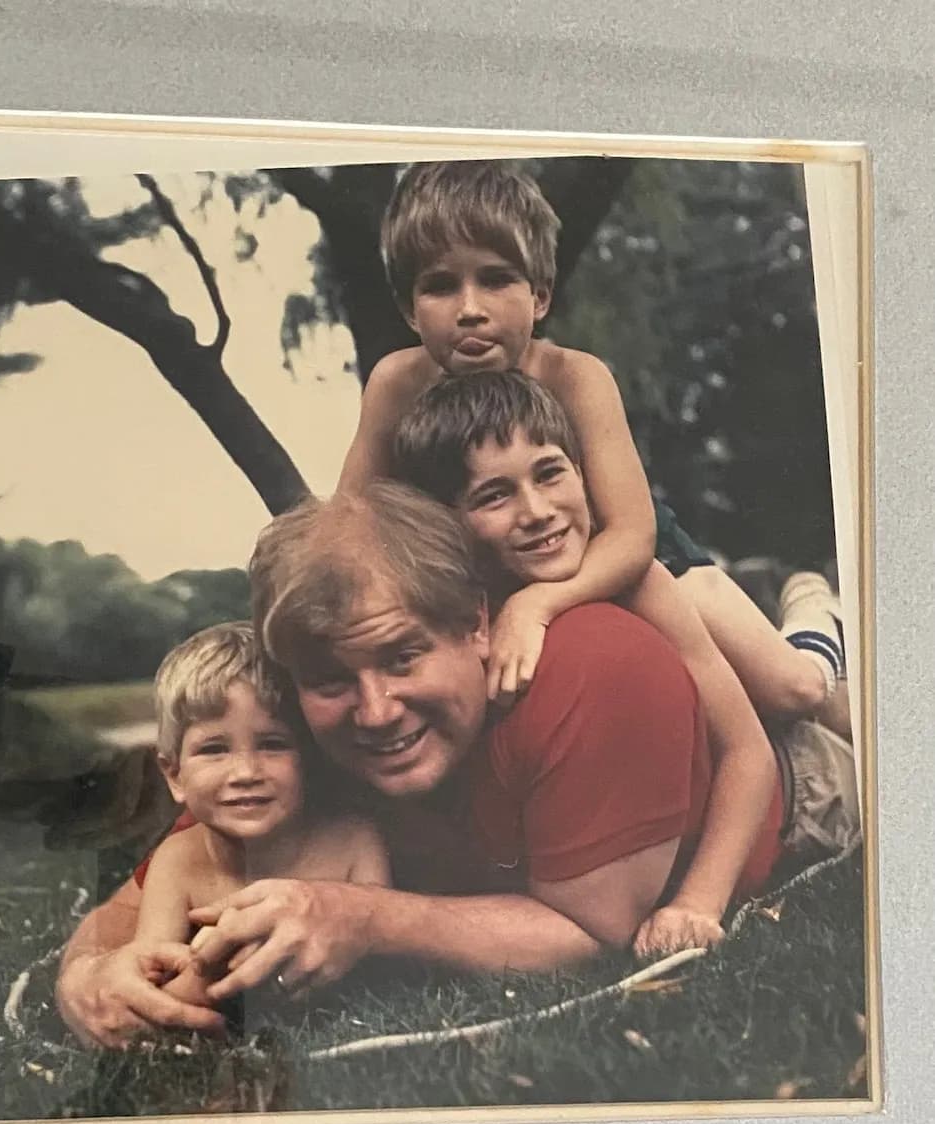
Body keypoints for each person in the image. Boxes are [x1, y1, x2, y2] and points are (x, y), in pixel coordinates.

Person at [56, 484, 860, 1046]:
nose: (375, 712)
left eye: (404, 656)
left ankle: (817, 612)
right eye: (333, 679)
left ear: (478, 624)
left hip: (804, 783)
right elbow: (149, 892)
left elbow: (593, 930)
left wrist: (358, 915)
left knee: (844, 699)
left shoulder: (594, 669)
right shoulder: (303, 728)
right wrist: (89, 976)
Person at [338, 159, 846, 723]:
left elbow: (633, 534)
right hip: (503, 549)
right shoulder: (395, 383)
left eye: (496, 278)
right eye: (440, 286)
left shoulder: (575, 376)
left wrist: (537, 604)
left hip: (619, 543)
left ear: (540, 296)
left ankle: (814, 614)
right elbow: (351, 523)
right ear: (409, 309)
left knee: (791, 692)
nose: (470, 309)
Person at [388, 368, 777, 954]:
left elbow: (750, 753)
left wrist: (698, 901)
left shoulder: (639, 585)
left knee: (809, 687)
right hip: (647, 802)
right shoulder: (454, 615)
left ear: (582, 473)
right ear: (443, 522)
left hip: (790, 795)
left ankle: (810, 608)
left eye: (550, 474)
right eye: (494, 495)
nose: (538, 510)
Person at [134, 623, 389, 1007]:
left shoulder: (354, 841)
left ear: (309, 761)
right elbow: (150, 980)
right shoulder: (177, 861)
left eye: (273, 744)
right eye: (214, 749)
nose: (246, 773)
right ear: (174, 775)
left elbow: (381, 964)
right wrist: (205, 968)